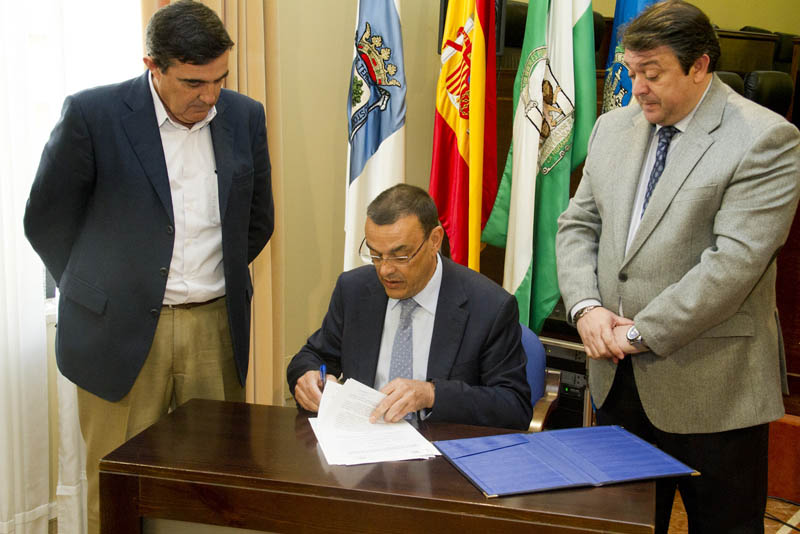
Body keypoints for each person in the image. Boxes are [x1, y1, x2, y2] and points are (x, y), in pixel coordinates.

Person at [23, 2, 273, 532]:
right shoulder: (94, 115)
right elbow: (46, 220)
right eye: (192, 83)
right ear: (152, 66)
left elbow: (257, 221)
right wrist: (98, 292)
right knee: (117, 483)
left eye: (219, 80)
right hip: (117, 332)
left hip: (214, 329)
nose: (209, 97)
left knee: (213, 484)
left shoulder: (244, 116)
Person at [555, 1, 800, 532]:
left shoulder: (764, 138)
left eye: (652, 73)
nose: (637, 88)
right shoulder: (611, 129)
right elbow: (578, 227)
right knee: (622, 525)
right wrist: (586, 307)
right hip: (617, 380)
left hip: (713, 386)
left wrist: (641, 332)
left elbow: (734, 264)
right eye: (630, 72)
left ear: (699, 66)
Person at [287, 184, 531, 430]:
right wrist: (308, 377)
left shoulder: (489, 306)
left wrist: (431, 394)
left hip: (441, 456)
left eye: (400, 256)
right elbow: (312, 356)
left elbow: (514, 406)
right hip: (359, 451)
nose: (385, 270)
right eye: (375, 254)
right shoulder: (354, 290)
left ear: (434, 240)